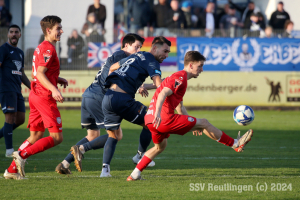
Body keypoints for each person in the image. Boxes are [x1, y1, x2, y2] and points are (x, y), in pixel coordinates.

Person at [127, 51, 253, 181]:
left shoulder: (179, 79)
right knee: (204, 122)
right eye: (200, 66)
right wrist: (159, 112)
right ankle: (235, 144)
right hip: (162, 118)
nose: (201, 70)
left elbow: (180, 107)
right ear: (191, 65)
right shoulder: (180, 77)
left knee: (159, 147)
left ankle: (134, 174)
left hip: (150, 120)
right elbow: (163, 92)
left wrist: (191, 124)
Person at [55, 33, 155, 174]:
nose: (138, 51)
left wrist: (143, 86)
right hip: (100, 97)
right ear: (126, 45)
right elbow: (111, 76)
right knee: (115, 135)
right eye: (136, 47)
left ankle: (65, 163)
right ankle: (88, 155)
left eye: (140, 48)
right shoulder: (122, 55)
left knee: (93, 135)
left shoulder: (119, 56)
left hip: (89, 95)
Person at [71, 36, 171, 177]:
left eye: (168, 52)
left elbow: (113, 67)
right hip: (123, 100)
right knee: (151, 122)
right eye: (165, 51)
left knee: (113, 136)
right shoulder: (151, 59)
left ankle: (104, 170)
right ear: (155, 47)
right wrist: (168, 90)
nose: (166, 55)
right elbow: (159, 84)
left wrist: (117, 84)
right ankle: (140, 156)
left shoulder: (137, 56)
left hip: (109, 98)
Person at [3, 15, 68, 180]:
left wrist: (57, 79)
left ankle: (11, 170)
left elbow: (40, 72)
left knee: (36, 135)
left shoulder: (43, 46)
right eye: (58, 28)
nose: (61, 31)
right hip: (44, 97)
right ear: (48, 30)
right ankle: (22, 156)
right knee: (56, 137)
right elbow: (39, 73)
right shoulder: (49, 49)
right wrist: (53, 89)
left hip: (35, 95)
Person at [0, 25, 31, 157]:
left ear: (20, 35)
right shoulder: (3, 49)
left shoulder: (20, 52)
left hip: (17, 90)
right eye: (11, 32)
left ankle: (4, 134)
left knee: (20, 119)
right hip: (6, 89)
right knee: (9, 118)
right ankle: (9, 151)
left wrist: (32, 87)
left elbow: (21, 73)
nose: (13, 34)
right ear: (8, 35)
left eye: (16, 32)